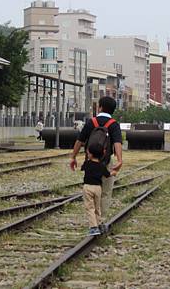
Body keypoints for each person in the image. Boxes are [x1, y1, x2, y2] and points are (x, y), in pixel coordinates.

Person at [70, 96, 123, 232]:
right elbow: (117, 143)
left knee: (89, 191)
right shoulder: (113, 124)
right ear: (113, 110)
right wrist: (119, 160)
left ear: (99, 107)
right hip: (105, 162)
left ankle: (92, 222)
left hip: (91, 162)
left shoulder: (91, 122)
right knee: (105, 192)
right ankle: (100, 221)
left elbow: (79, 141)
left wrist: (73, 157)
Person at [82, 142, 116, 236]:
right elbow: (108, 175)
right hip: (98, 188)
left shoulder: (87, 163)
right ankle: (99, 224)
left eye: (88, 153)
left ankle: (93, 227)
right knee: (97, 207)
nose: (87, 155)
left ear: (91, 154)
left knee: (90, 208)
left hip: (88, 187)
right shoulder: (102, 166)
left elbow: (82, 168)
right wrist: (114, 172)